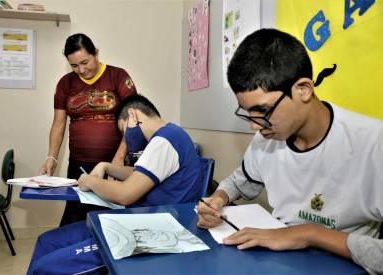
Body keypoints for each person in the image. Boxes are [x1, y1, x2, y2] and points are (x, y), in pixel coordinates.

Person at [196, 28, 383, 274]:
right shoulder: (266, 139)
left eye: (263, 110)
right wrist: (217, 200)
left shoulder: (373, 144)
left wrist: (308, 233)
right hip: (280, 262)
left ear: (303, 89)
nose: (254, 124)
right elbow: (240, 182)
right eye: (247, 112)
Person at [27, 94, 202, 274]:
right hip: (135, 222)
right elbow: (139, 175)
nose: (126, 139)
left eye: (123, 130)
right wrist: (106, 166)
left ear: (133, 115)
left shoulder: (164, 141)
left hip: (151, 233)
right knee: (46, 241)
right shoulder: (169, 136)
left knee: (45, 269)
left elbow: (125, 194)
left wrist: (90, 181)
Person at [38, 33, 137, 226]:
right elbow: (58, 123)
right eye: (74, 66)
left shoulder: (118, 76)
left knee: (110, 222)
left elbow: (133, 119)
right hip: (78, 165)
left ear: (96, 53)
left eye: (85, 62)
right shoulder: (65, 83)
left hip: (113, 164)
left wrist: (119, 158)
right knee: (75, 220)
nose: (81, 70)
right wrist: (51, 157)